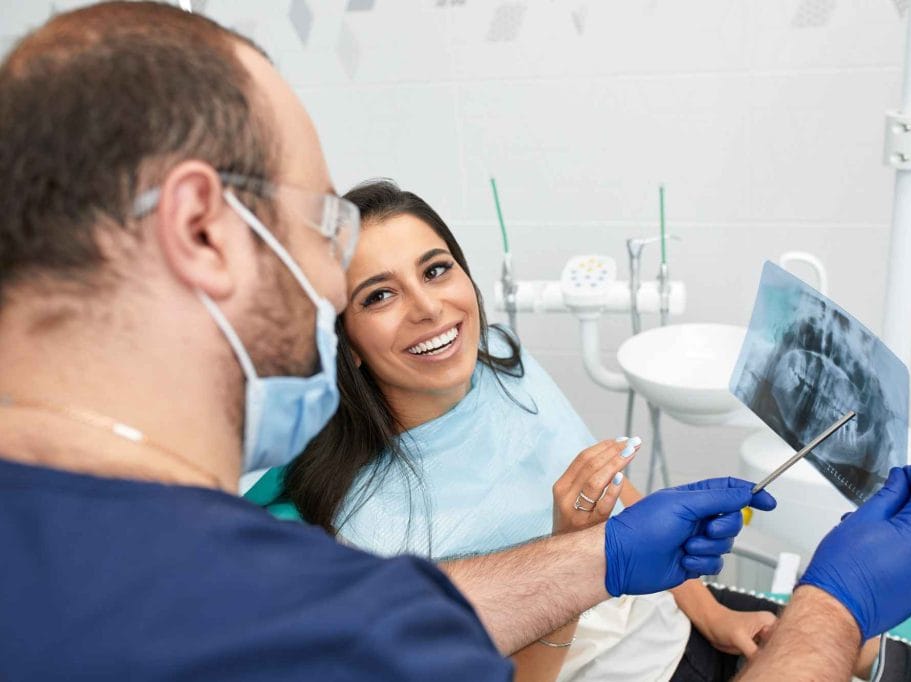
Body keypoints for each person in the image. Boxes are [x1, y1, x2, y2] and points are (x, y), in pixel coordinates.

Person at [0, 2, 911, 680]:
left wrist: (599, 554)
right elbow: (360, 628)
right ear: (204, 230)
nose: (334, 280)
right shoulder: (301, 612)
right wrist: (828, 613)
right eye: (323, 230)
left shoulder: (73, 563)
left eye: (437, 270)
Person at [246, 180, 784, 681]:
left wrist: (714, 616)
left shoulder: (502, 358)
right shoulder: (374, 529)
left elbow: (611, 492)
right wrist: (574, 556)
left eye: (435, 270)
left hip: (673, 619)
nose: (430, 308)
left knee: (830, 631)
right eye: (379, 296)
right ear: (347, 342)